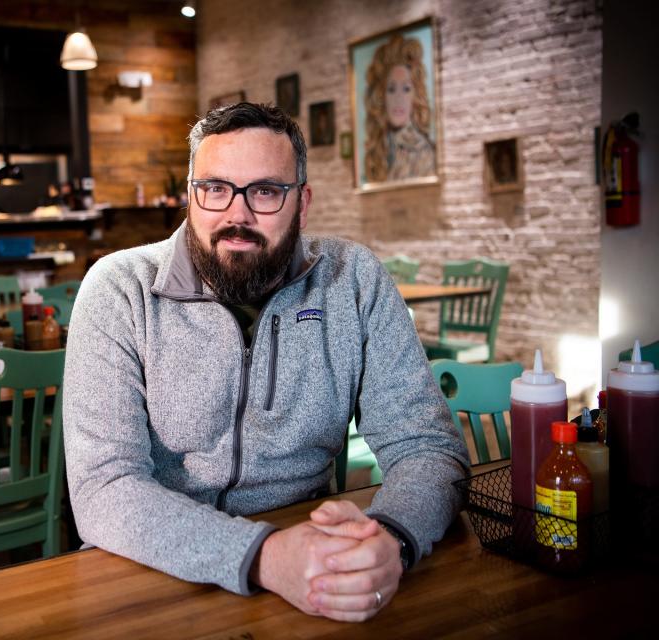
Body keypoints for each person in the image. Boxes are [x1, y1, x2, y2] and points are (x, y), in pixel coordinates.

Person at [63, 103, 469, 622]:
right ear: (191, 198)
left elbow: (428, 447)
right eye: (215, 188)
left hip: (310, 567)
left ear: (302, 203)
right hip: (149, 570)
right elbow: (104, 488)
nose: (237, 214)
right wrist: (265, 556)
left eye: (265, 191)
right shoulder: (121, 290)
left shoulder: (355, 280)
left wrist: (390, 538)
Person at [364, 34, 436, 183]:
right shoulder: (378, 147)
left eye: (406, 89)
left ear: (415, 96)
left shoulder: (423, 151)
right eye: (391, 89)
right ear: (382, 96)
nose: (399, 99)